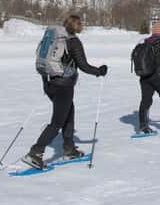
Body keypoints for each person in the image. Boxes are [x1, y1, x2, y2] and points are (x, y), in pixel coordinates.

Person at [22, 15, 107, 170]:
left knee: (69, 116)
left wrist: (46, 83)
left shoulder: (55, 38)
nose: (82, 26)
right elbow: (83, 65)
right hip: (64, 86)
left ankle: (69, 149)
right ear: (77, 26)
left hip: (50, 83)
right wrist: (99, 71)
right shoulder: (73, 41)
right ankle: (35, 152)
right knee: (57, 123)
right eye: (80, 24)